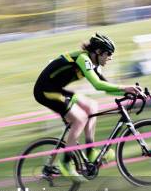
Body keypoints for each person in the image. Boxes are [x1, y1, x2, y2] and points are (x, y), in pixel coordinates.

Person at [33, 33, 144, 180]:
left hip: (56, 89)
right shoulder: (83, 58)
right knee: (79, 119)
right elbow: (97, 85)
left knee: (92, 106)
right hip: (45, 91)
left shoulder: (94, 63)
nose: (110, 58)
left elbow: (106, 88)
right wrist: (125, 88)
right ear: (98, 52)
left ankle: (90, 152)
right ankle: (66, 163)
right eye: (108, 54)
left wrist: (130, 92)